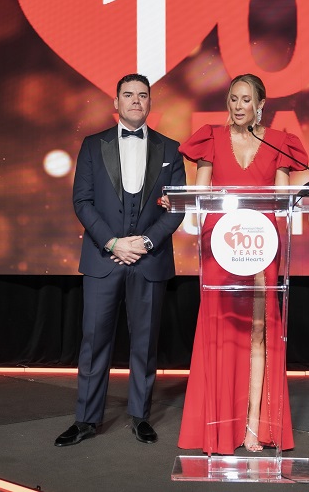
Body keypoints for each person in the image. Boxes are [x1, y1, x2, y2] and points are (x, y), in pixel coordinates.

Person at [170, 73, 309, 455]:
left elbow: (282, 197)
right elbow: (200, 194)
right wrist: (177, 200)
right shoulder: (210, 138)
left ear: (260, 104)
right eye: (233, 98)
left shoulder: (278, 142)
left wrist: (303, 194)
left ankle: (253, 428)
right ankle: (219, 428)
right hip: (220, 248)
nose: (238, 106)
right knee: (222, 335)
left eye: (246, 99)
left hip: (262, 247)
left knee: (258, 335)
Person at [54, 73, 186, 447]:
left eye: (142, 95)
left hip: (149, 259)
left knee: (145, 343)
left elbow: (176, 208)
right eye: (128, 95)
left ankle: (140, 416)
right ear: (116, 103)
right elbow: (82, 201)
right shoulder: (93, 145)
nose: (135, 101)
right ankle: (85, 420)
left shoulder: (171, 149)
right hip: (102, 258)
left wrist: (144, 241)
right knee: (94, 341)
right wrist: (113, 243)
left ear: (150, 103)